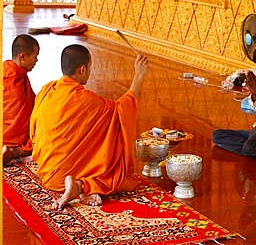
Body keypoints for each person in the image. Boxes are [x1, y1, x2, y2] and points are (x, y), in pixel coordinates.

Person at [30, 44, 149, 209]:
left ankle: (79, 185)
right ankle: (81, 186)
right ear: (82, 69)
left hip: (47, 173)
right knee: (126, 181)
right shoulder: (83, 99)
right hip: (63, 176)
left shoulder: (47, 90)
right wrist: (139, 76)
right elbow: (120, 110)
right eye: (90, 66)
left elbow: (34, 129)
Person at [3, 34, 40, 165]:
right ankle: (16, 152)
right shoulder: (15, 79)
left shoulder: (8, 70)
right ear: (22, 56)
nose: (36, 61)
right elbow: (24, 119)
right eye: (35, 57)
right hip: (10, 136)